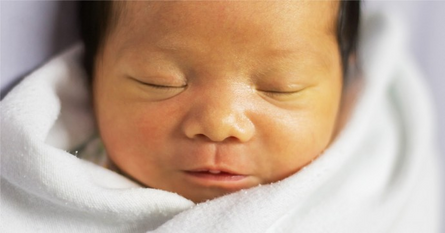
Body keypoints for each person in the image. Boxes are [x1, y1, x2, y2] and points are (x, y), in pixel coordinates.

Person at [1, 1, 441, 232]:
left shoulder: (377, 180)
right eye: (161, 82)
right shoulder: (57, 179)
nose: (219, 123)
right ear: (91, 73)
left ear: (345, 83)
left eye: (279, 87)